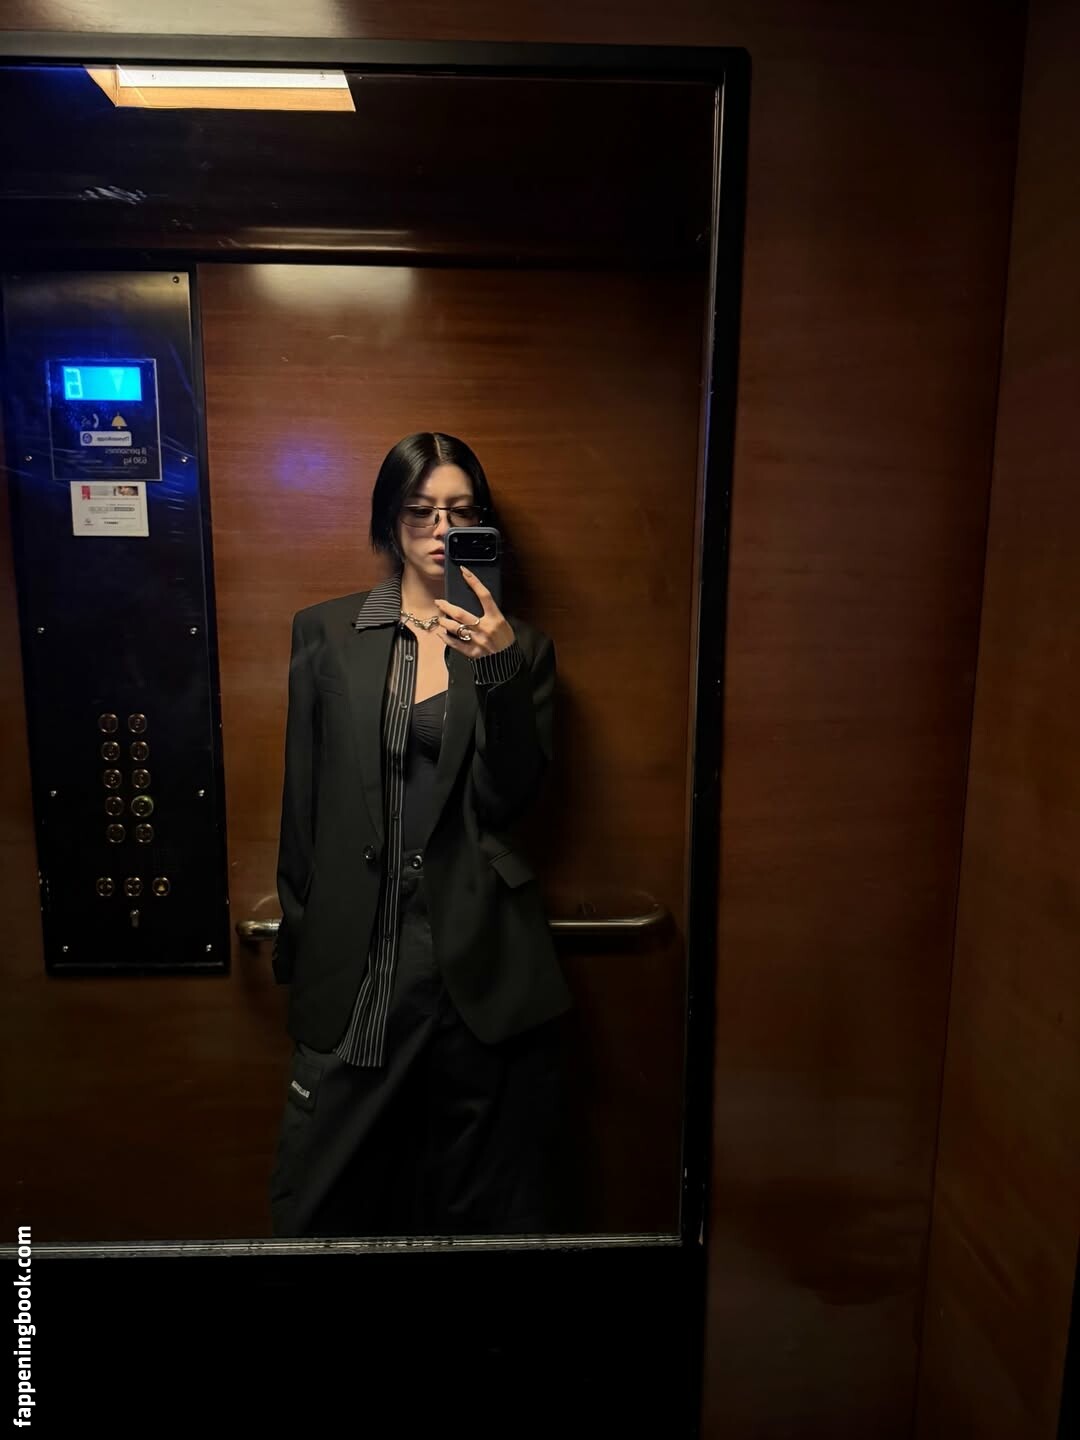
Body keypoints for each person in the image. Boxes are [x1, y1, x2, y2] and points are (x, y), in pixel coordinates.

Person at [268, 432, 574, 1237]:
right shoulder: (327, 634)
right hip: (361, 960)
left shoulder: (522, 648)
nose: (442, 529)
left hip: (477, 961)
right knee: (317, 1205)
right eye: (421, 511)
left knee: (481, 1214)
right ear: (389, 520)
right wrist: (302, 944)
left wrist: (499, 671)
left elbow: (508, 801)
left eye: (462, 513)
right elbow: (303, 805)